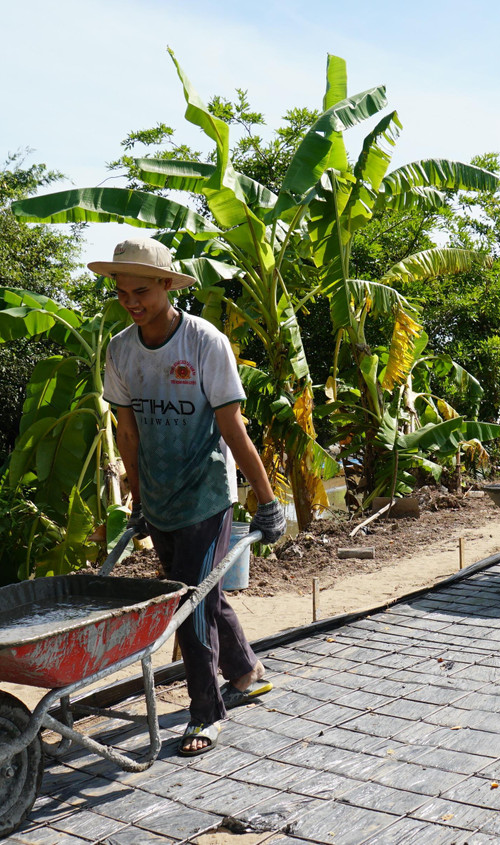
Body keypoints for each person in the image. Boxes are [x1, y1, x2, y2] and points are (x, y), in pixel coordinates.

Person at [97, 237, 287, 757]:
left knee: (188, 603)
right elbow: (128, 434)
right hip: (160, 500)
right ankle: (246, 672)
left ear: (166, 285)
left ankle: (205, 712)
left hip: (206, 494)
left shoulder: (204, 342)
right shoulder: (120, 349)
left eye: (141, 291)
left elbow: (233, 428)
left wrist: (266, 501)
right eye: (121, 293)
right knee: (203, 593)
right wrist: (138, 502)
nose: (132, 302)